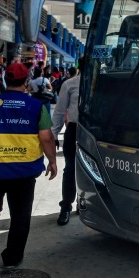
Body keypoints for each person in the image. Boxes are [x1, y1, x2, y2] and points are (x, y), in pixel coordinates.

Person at [0, 62, 57, 270]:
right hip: (23, 172)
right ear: (26, 82)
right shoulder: (36, 107)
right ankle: (12, 258)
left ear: (6, 80)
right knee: (20, 215)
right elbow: (46, 137)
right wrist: (52, 160)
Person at [51, 61, 82, 225]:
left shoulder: (104, 84)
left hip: (95, 131)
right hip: (74, 129)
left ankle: (84, 203)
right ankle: (66, 207)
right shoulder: (70, 84)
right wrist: (54, 133)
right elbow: (60, 110)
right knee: (70, 168)